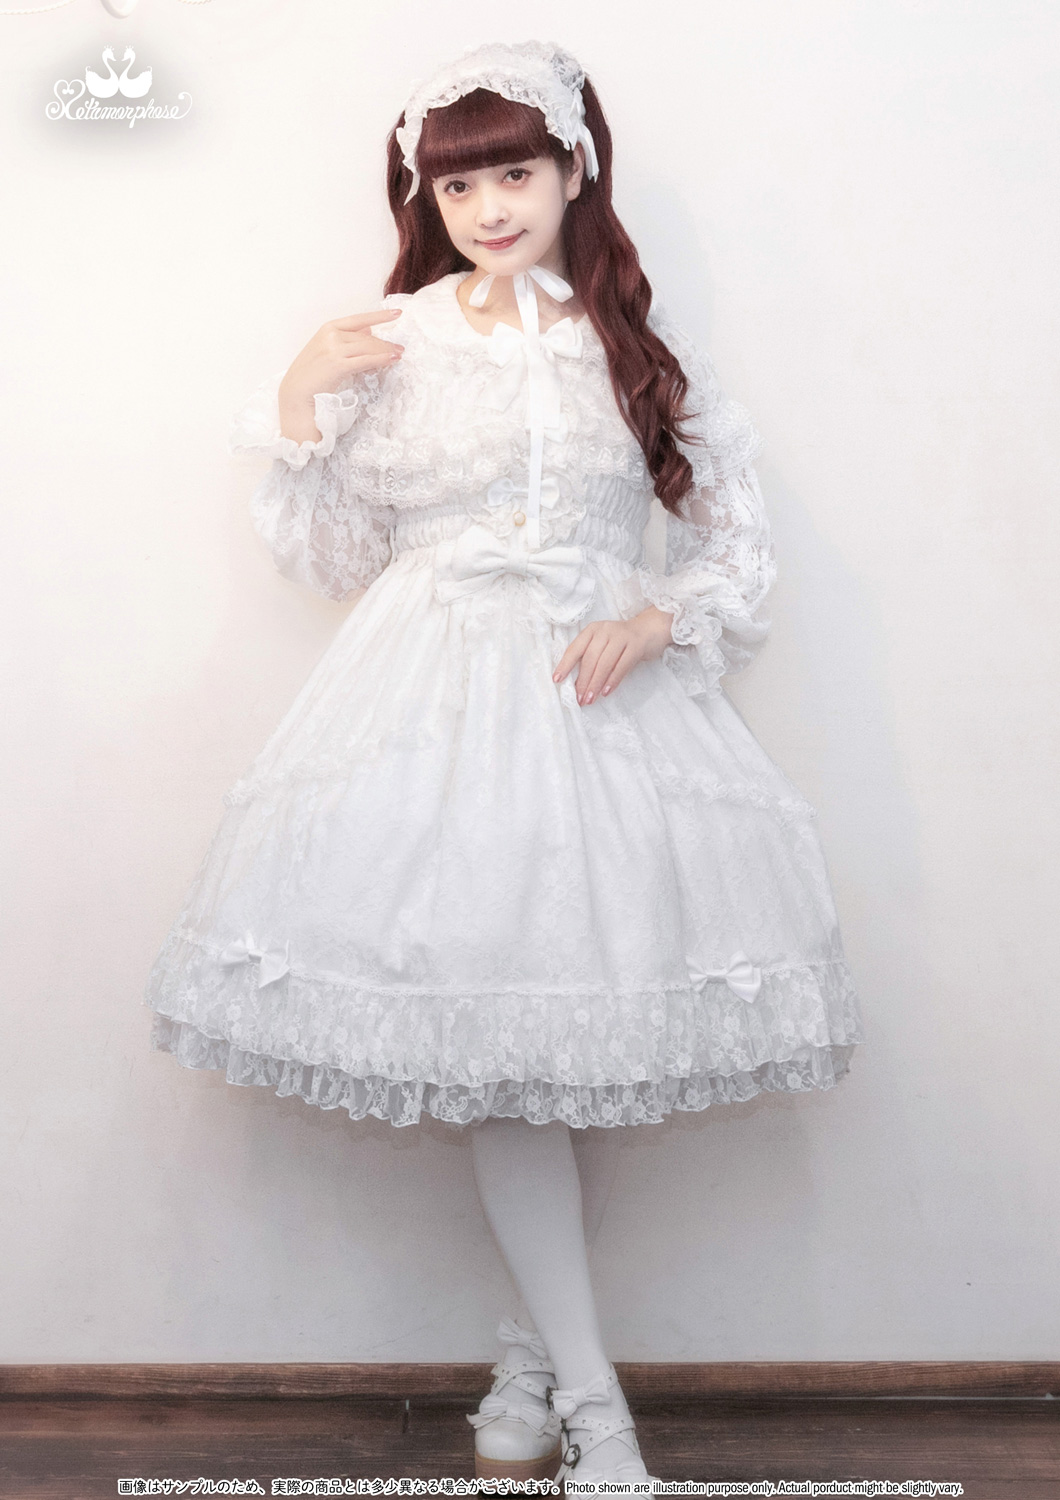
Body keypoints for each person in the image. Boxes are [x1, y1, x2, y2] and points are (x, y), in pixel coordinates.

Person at [144, 40, 865, 1488]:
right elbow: (336, 557)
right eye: (458, 184)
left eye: (515, 173)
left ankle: (537, 1370)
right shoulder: (394, 339)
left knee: (556, 1059)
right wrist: (299, 395)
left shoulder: (633, 344)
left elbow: (735, 545)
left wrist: (655, 619)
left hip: (599, 722)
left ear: (574, 171)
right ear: (429, 196)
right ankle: (593, 1404)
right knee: (512, 1069)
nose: (487, 207)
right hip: (431, 723)